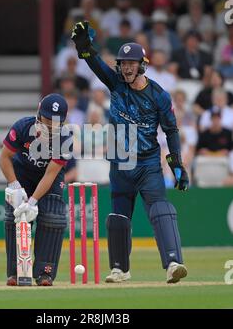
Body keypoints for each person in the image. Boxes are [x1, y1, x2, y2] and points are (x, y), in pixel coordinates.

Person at [71, 21, 189, 284]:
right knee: (118, 217)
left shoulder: (159, 95)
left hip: (148, 165)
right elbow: (97, 64)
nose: (125, 68)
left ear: (142, 65)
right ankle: (119, 269)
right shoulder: (116, 84)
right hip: (121, 164)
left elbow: (171, 131)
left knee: (160, 210)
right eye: (123, 63)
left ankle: (173, 263)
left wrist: (177, 165)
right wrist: (85, 47)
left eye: (130, 64)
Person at [0, 93, 72, 286]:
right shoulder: (22, 127)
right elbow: (4, 158)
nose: (49, 126)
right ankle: (15, 272)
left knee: (53, 217)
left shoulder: (65, 138)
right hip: (21, 174)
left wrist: (32, 202)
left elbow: (50, 174)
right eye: (46, 120)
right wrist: (15, 186)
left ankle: (44, 273)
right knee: (14, 216)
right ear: (39, 114)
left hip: (49, 179)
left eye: (54, 123)